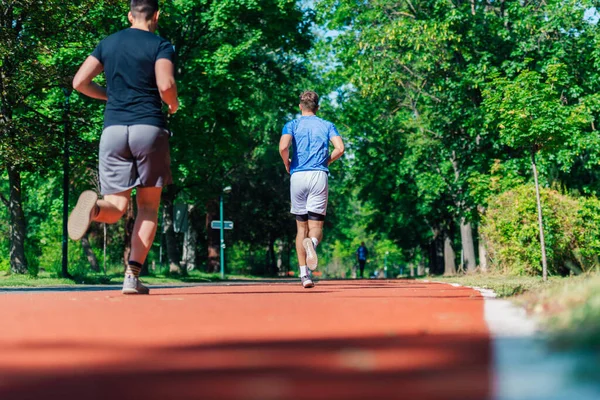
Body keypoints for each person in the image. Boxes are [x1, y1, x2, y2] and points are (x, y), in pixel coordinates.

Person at [68, 0, 178, 295]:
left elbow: (79, 81)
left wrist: (111, 97)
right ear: (157, 15)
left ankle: (93, 210)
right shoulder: (160, 45)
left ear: (130, 15)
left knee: (115, 208)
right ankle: (132, 276)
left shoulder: (108, 42)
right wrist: (173, 103)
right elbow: (165, 84)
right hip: (148, 128)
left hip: (113, 130)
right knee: (148, 207)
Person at [279, 91, 345, 288]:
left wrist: (287, 164)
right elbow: (340, 148)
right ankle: (313, 244)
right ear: (317, 107)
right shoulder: (326, 125)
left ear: (300, 106)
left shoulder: (292, 124)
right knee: (316, 227)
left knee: (301, 228)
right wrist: (327, 160)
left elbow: (283, 147)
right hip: (318, 175)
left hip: (298, 175)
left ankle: (304, 276)